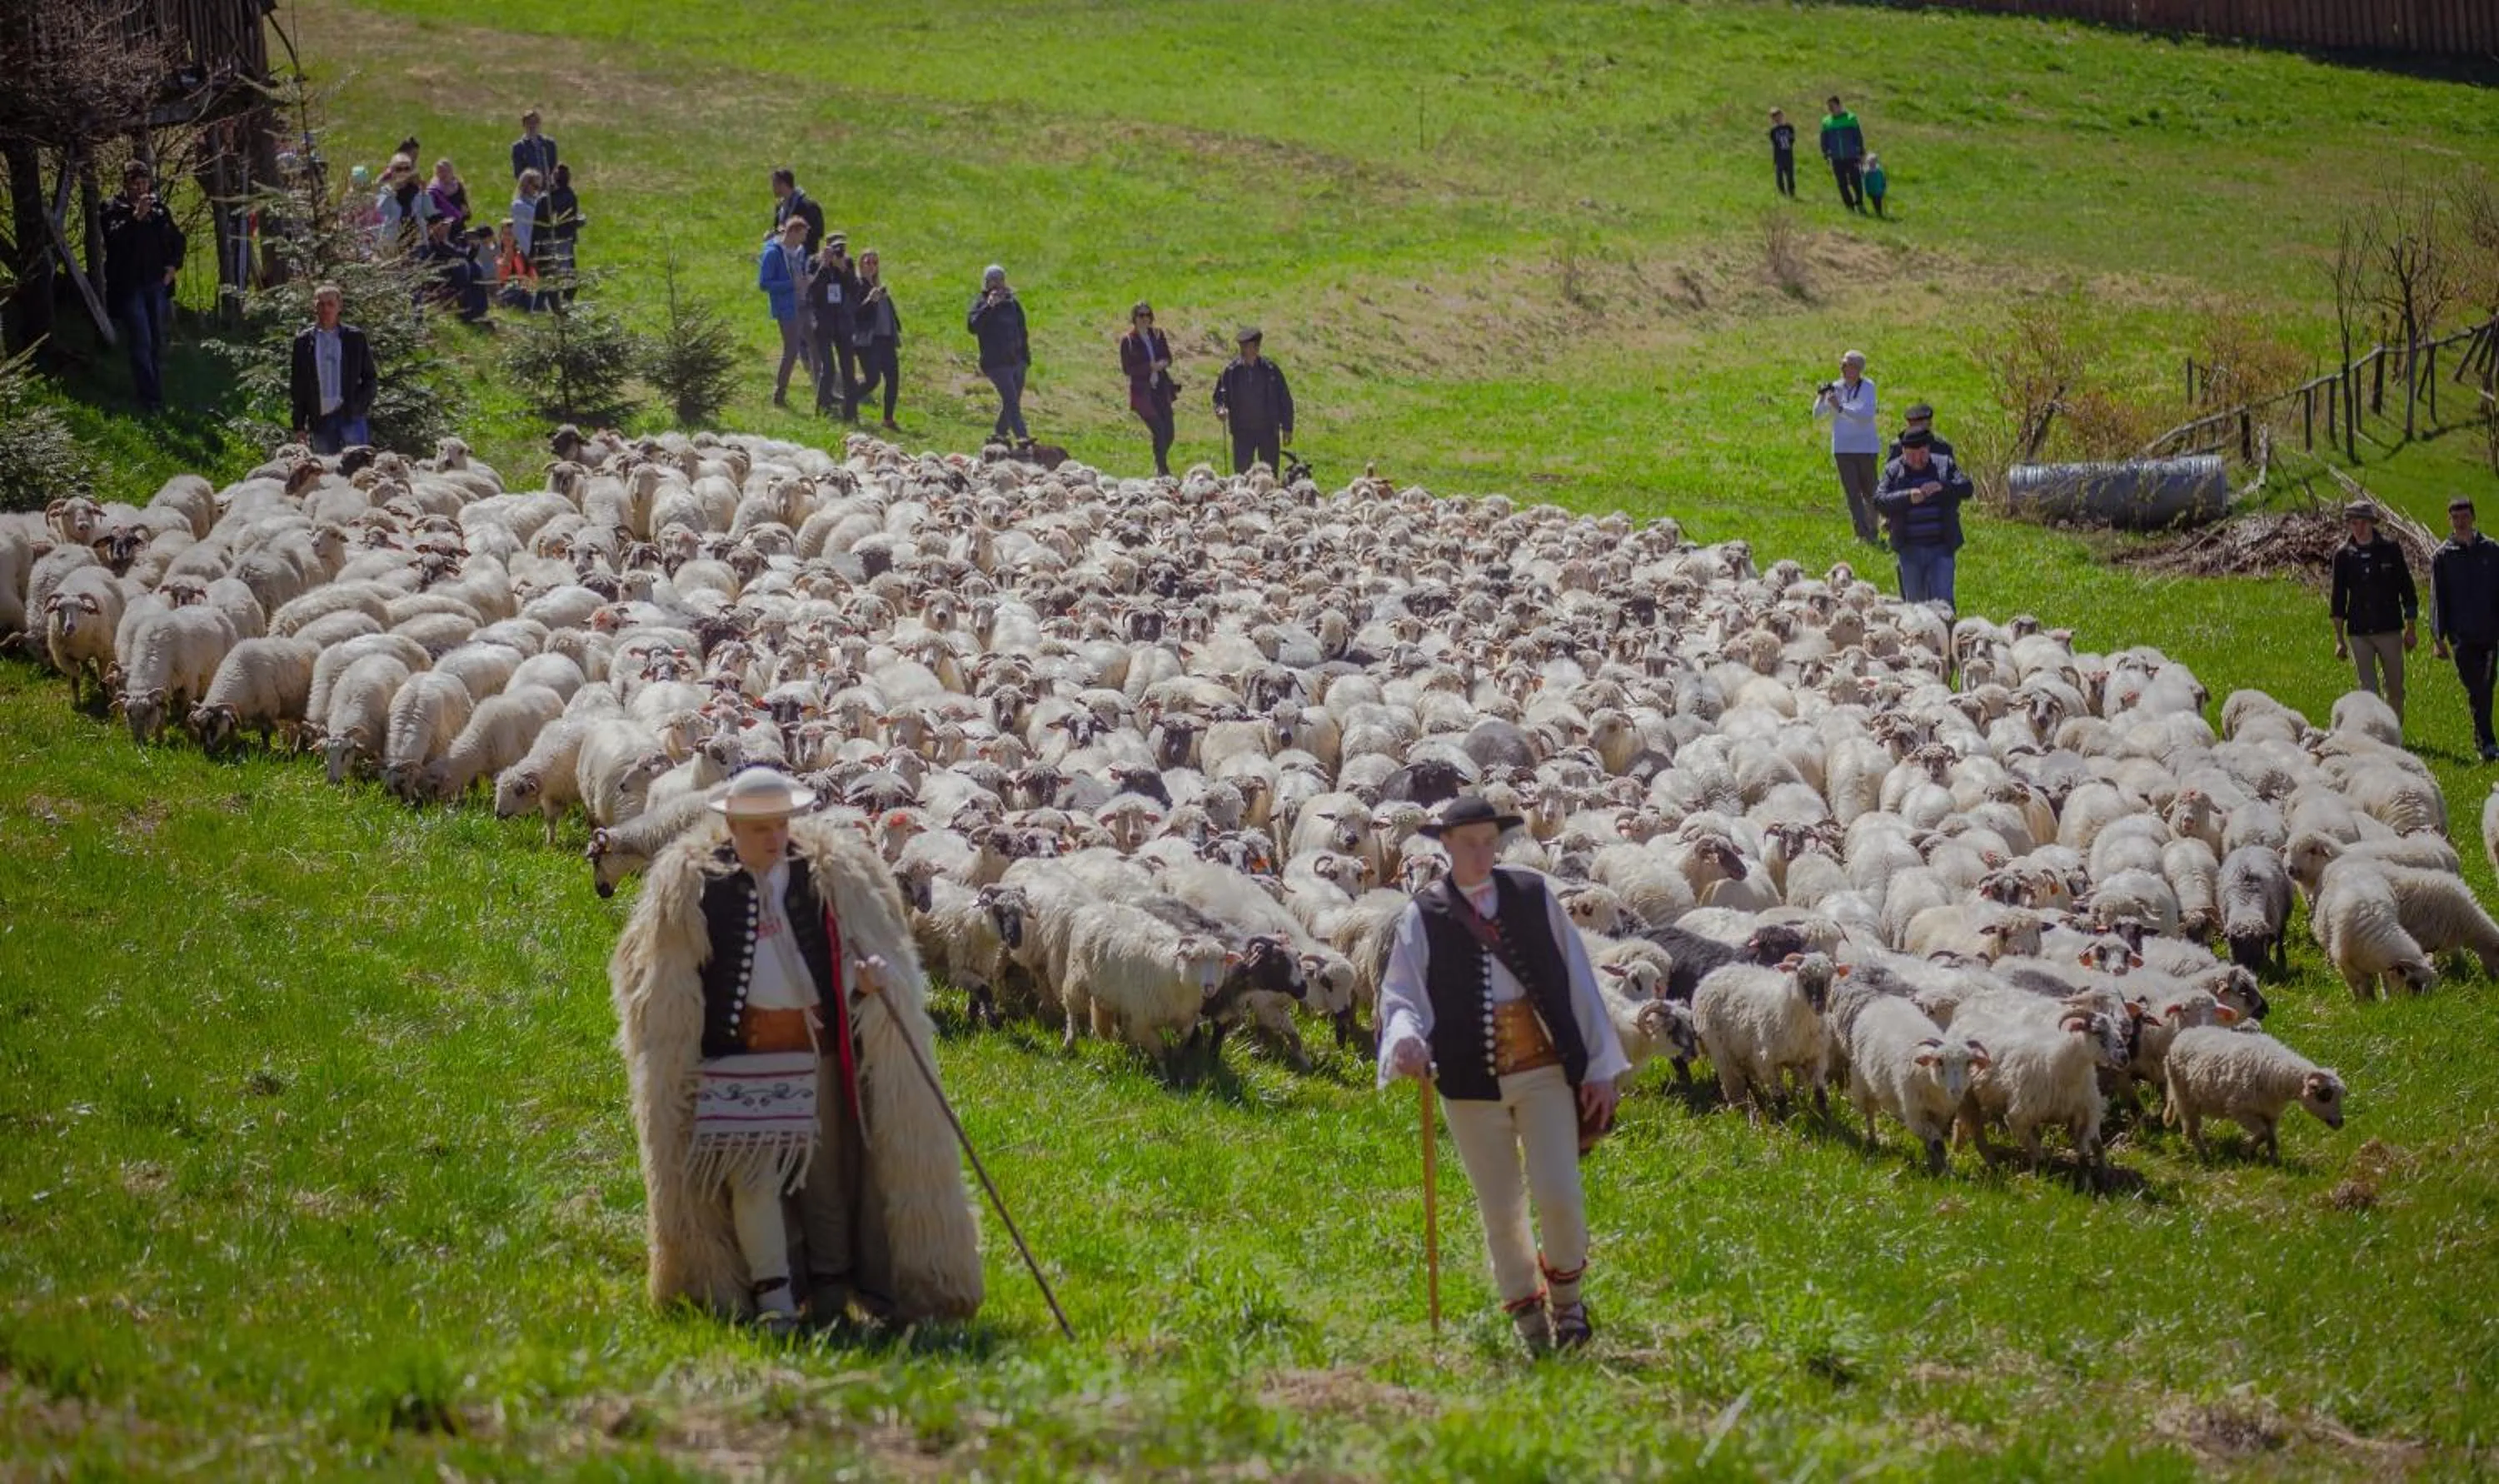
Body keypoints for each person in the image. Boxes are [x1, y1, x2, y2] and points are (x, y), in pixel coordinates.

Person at [606, 766, 984, 1332]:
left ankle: (831, 1291)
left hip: (815, 1052)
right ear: (732, 824)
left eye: (781, 824)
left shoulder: (821, 879)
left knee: (826, 1178)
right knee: (751, 1181)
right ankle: (775, 1300)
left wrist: (867, 981)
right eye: (760, 827)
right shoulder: (702, 886)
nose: (774, 837)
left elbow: (841, 957)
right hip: (737, 1056)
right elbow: (674, 978)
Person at [1377, 794, 1629, 1357]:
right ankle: (1529, 1323)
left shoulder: (1533, 894)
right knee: (1501, 1207)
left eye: (1491, 841)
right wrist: (1406, 1040)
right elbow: (1401, 996)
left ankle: (1568, 1299)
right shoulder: (1424, 915)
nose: (1483, 853)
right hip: (1469, 1079)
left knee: (1558, 1191)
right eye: (1471, 843)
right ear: (1446, 845)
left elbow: (1579, 982)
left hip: (1543, 1068)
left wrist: (1599, 1068)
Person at [99, 161, 186, 414]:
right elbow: (114, 240)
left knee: (157, 340)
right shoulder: (113, 209)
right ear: (126, 184)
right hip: (129, 287)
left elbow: (177, 240)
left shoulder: (159, 210)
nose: (140, 188)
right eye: (135, 183)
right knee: (142, 342)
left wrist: (173, 266)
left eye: (144, 183)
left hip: (156, 284)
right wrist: (135, 218)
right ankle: (150, 400)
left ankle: (156, 392)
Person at [2331, 502, 2420, 721]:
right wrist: (2339, 639)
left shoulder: (2390, 549)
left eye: (2363, 522)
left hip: (2389, 628)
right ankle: (2376, 733)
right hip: (2359, 630)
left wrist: (2411, 628)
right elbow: (2338, 599)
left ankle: (2395, 729)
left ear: (2372, 523)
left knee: (2395, 687)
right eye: (2354, 523)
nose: (2359, 528)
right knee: (2368, 691)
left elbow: (2407, 589)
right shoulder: (2342, 555)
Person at [1873, 427, 1973, 608]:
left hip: (1941, 548)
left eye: (1923, 454)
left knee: (1943, 604)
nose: (1918, 460)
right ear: (1903, 452)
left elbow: (1967, 488)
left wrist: (1943, 486)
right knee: (1915, 607)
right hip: (1910, 550)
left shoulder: (1944, 465)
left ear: (1929, 450)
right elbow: (1879, 501)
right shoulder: (1893, 471)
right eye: (1912, 455)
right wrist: (1907, 497)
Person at [2431, 497, 2499, 761]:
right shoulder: (2443, 556)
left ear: (2473, 517)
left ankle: (2483, 742)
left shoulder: (2492, 550)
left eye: (2465, 516)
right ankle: (2488, 741)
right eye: (2456, 518)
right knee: (2476, 688)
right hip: (2461, 636)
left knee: (2486, 687)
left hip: (2490, 633)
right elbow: (2438, 599)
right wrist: (2438, 639)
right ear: (2450, 521)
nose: (2461, 522)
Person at [289, 283, 377, 455]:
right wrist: (299, 425)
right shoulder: (303, 342)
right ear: (314, 307)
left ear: (339, 306)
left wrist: (358, 407)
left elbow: (370, 378)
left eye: (330, 304)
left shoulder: (355, 338)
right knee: (327, 474)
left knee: (361, 471)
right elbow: (297, 386)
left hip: (351, 417)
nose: (326, 309)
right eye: (320, 304)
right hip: (320, 419)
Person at [1813, 350, 1880, 543]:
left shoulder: (1868, 387)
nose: (1843, 368)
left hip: (1865, 447)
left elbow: (1866, 414)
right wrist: (1821, 396)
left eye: (1847, 365)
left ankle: (1873, 529)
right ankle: (1861, 533)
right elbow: (1817, 414)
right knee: (1852, 493)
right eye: (1842, 364)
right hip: (1842, 448)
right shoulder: (1836, 387)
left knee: (1870, 491)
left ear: (1857, 369)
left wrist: (1841, 407)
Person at [1213, 326, 1294, 476]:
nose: (1242, 350)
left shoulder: (1270, 370)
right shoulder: (1231, 372)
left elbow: (1284, 398)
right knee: (1242, 474)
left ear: (1256, 348)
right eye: (1241, 346)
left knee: (1269, 474)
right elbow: (1219, 397)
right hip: (1242, 431)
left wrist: (1287, 427)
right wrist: (1220, 410)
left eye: (1246, 346)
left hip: (1268, 430)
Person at [966, 265, 1031, 444]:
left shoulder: (1012, 304)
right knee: (1011, 399)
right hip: (995, 362)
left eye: (1000, 280)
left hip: (1016, 360)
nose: (997, 285)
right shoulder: (981, 303)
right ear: (986, 283)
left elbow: (1022, 330)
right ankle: (1022, 436)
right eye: (992, 281)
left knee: (1013, 400)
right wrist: (989, 306)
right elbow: (973, 326)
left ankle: (999, 434)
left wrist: (1025, 358)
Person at [758, 217, 816, 407]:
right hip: (786, 307)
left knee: (816, 343)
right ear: (792, 232)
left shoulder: (800, 251)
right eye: (802, 235)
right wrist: (792, 284)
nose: (804, 240)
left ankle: (822, 389)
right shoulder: (773, 253)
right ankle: (779, 393)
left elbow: (801, 271)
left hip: (804, 303)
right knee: (791, 349)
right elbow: (764, 284)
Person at [1120, 301, 1179, 476]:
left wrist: (1162, 364)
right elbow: (1127, 369)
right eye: (1141, 315)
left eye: (1148, 315)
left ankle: (1159, 461)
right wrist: (1149, 367)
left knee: (1169, 431)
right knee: (1158, 430)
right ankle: (1162, 469)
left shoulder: (1158, 335)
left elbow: (1168, 356)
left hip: (1161, 388)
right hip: (1143, 392)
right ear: (1135, 318)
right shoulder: (1129, 341)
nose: (1145, 319)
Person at [808, 235, 861, 421]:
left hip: (844, 323)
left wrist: (844, 270)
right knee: (828, 368)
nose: (839, 252)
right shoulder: (815, 262)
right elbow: (812, 291)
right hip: (824, 322)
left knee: (849, 369)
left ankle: (851, 413)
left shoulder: (846, 263)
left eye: (842, 249)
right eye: (835, 248)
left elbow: (855, 289)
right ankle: (823, 409)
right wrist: (824, 266)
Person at [850, 249, 902, 431]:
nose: (871, 266)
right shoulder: (857, 285)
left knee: (893, 378)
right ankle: (848, 403)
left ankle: (888, 419)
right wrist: (870, 300)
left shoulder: (879, 286)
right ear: (860, 264)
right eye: (868, 262)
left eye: (875, 263)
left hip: (886, 339)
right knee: (872, 379)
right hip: (868, 340)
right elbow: (855, 314)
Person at [511, 169, 554, 308]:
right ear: (526, 185)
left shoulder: (537, 201)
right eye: (535, 186)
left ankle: (541, 308)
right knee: (545, 279)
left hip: (543, 246)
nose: (537, 190)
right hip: (532, 249)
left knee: (546, 279)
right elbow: (518, 231)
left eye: (539, 187)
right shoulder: (519, 206)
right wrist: (530, 252)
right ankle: (540, 308)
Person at [1819, 95, 1866, 213]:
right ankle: (1849, 206)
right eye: (1828, 107)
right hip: (1836, 157)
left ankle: (1859, 203)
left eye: (1832, 106)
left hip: (1851, 155)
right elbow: (1824, 139)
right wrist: (1825, 152)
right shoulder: (1826, 122)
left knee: (1856, 181)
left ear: (1839, 105)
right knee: (1842, 183)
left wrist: (1861, 152)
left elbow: (1858, 136)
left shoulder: (1851, 118)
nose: (1830, 109)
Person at [545, 162, 583, 295]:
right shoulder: (568, 195)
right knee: (567, 273)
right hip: (564, 238)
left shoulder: (551, 195)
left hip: (557, 237)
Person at [771, 168, 824, 255]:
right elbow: (777, 228)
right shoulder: (780, 207)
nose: (773, 188)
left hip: (804, 257)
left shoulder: (809, 206)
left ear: (783, 184)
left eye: (774, 184)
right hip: (783, 256)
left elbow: (818, 233)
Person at [1885, 401, 1953, 462]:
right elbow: (1890, 472)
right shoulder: (1898, 446)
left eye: (1921, 425)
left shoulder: (1942, 446)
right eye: (1913, 425)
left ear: (1930, 424)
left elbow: (1951, 472)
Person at [511, 108, 558, 182]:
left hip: (548, 186)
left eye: (534, 122)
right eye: (529, 123)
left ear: (539, 124)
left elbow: (554, 166)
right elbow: (518, 172)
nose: (532, 126)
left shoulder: (549, 143)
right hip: (530, 187)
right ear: (524, 125)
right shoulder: (518, 147)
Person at [426, 157, 470, 233]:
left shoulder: (458, 186)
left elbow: (465, 209)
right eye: (440, 171)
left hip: (459, 227)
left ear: (452, 172)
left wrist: (465, 212)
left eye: (446, 171)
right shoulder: (433, 191)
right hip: (442, 229)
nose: (443, 174)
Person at [1768, 108, 1798, 199]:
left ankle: (1791, 191)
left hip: (1788, 153)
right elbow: (1774, 143)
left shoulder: (1789, 127)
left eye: (1778, 115)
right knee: (1779, 175)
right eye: (1774, 117)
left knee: (1790, 174)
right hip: (1779, 154)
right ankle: (1782, 192)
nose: (1777, 118)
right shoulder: (1773, 130)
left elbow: (1792, 140)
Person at [1864, 152, 1888, 217]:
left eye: (1874, 162)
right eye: (1871, 162)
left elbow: (1883, 180)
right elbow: (1866, 183)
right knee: (1874, 202)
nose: (1872, 164)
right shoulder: (1867, 173)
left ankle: (1879, 212)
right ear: (1868, 163)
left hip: (1879, 190)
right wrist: (1867, 190)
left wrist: (1884, 186)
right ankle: (1877, 212)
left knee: (1879, 201)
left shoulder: (1879, 171)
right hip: (1872, 191)